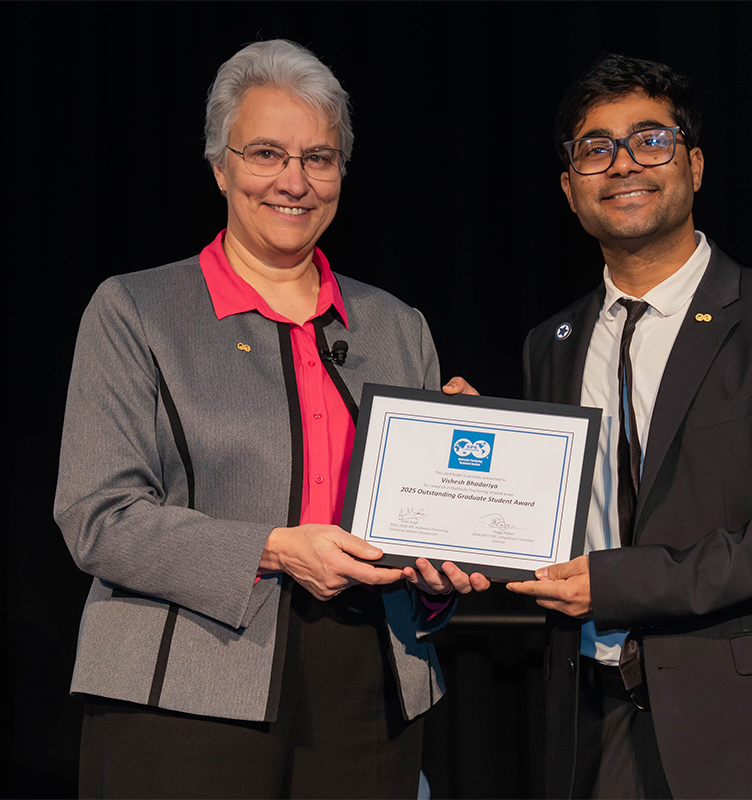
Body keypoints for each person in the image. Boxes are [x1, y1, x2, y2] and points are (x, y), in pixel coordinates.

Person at [55, 39, 488, 798]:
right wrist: (277, 550)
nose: (295, 180)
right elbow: (99, 519)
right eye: (266, 153)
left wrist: (453, 532)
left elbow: (421, 539)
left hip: (372, 693)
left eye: (320, 157)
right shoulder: (135, 310)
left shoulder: (396, 326)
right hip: (183, 691)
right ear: (220, 166)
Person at [505, 53, 752, 798]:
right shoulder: (551, 344)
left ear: (694, 165)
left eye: (651, 139)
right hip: (593, 719)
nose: (623, 164)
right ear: (571, 188)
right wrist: (472, 464)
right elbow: (549, 524)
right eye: (595, 148)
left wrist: (619, 583)